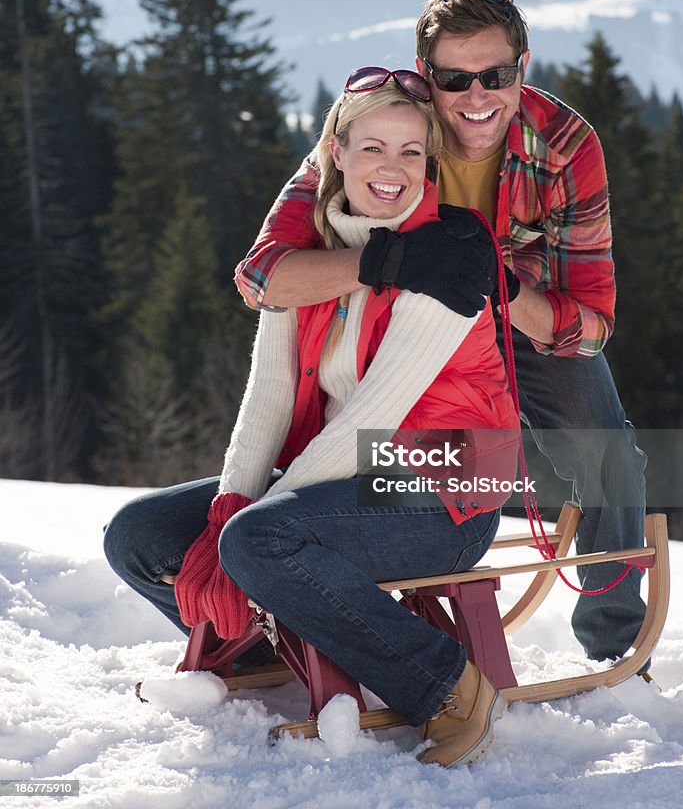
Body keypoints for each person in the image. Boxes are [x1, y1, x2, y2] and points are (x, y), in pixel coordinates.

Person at [104, 67, 522, 768]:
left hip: (446, 489)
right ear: (334, 152)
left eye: (411, 153)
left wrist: (251, 523)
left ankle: (444, 686)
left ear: (430, 164)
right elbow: (267, 395)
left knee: (258, 541)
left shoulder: (451, 258)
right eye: (372, 148)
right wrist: (230, 502)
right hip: (340, 474)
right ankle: (272, 640)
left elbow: (376, 416)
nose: (391, 168)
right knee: (139, 534)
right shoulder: (316, 254)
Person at [234, 0, 648, 666]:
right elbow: (261, 275)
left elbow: (593, 322)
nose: (477, 96)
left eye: (496, 75)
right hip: (394, 308)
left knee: (606, 454)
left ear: (523, 66)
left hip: (514, 315)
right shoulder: (379, 123)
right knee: (342, 442)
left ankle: (615, 648)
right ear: (426, 75)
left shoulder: (564, 144)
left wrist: (499, 286)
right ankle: (313, 593)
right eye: (455, 79)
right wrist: (386, 261)